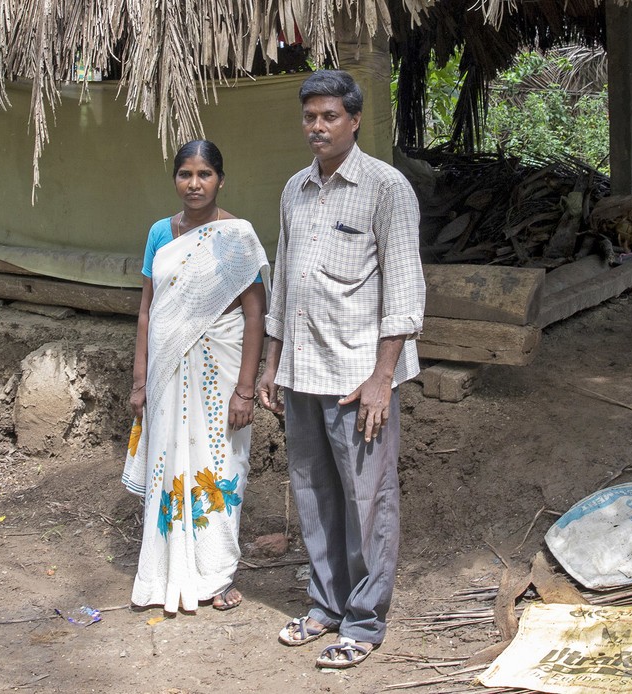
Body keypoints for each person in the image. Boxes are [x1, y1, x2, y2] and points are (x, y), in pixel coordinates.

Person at [258, 70, 425, 668]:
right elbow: (282, 283)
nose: (318, 128)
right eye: (310, 117)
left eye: (330, 117)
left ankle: (364, 620)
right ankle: (325, 605)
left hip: (358, 379)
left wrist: (383, 378)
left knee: (368, 500)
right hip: (302, 372)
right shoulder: (294, 190)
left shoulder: (386, 188)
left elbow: (404, 293)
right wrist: (270, 363)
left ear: (354, 121)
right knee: (312, 492)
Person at [122, 139, 269, 613]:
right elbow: (147, 310)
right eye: (185, 174)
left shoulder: (238, 236)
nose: (194, 183)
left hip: (222, 373)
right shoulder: (160, 235)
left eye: (204, 174)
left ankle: (217, 573)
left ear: (220, 180)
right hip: (167, 372)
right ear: (175, 180)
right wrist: (140, 379)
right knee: (169, 468)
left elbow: (255, 314)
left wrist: (246, 389)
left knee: (223, 467)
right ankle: (166, 571)